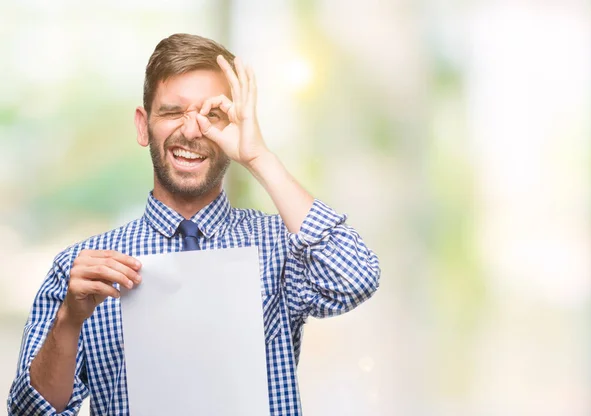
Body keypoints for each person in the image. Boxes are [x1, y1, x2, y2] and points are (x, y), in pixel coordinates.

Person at [7, 33, 380, 416]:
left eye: (212, 115)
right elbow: (28, 413)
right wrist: (69, 322)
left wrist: (258, 157)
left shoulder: (279, 247)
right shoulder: (83, 273)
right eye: (172, 112)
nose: (191, 130)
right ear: (143, 125)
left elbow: (355, 279)